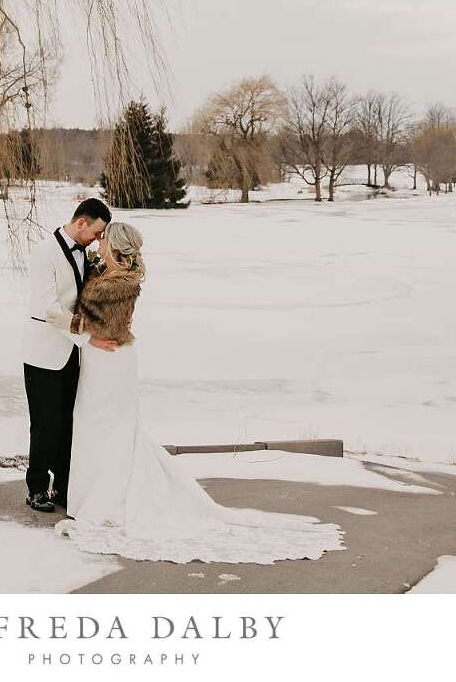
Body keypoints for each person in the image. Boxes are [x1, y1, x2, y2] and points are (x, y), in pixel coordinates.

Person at [50, 220, 345, 564]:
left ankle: (106, 501)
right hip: (100, 360)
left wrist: (56, 319)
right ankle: (94, 495)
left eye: (103, 240)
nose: (98, 243)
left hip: (110, 361)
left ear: (115, 247)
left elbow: (98, 325)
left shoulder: (119, 285)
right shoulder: (108, 272)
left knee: (109, 429)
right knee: (95, 428)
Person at [21, 197, 115, 512]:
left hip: (71, 354)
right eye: (97, 233)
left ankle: (63, 486)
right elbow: (49, 309)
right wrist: (86, 336)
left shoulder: (84, 254)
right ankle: (36, 488)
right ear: (81, 223)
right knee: (44, 424)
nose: (99, 240)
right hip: (43, 355)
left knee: (67, 424)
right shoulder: (43, 253)